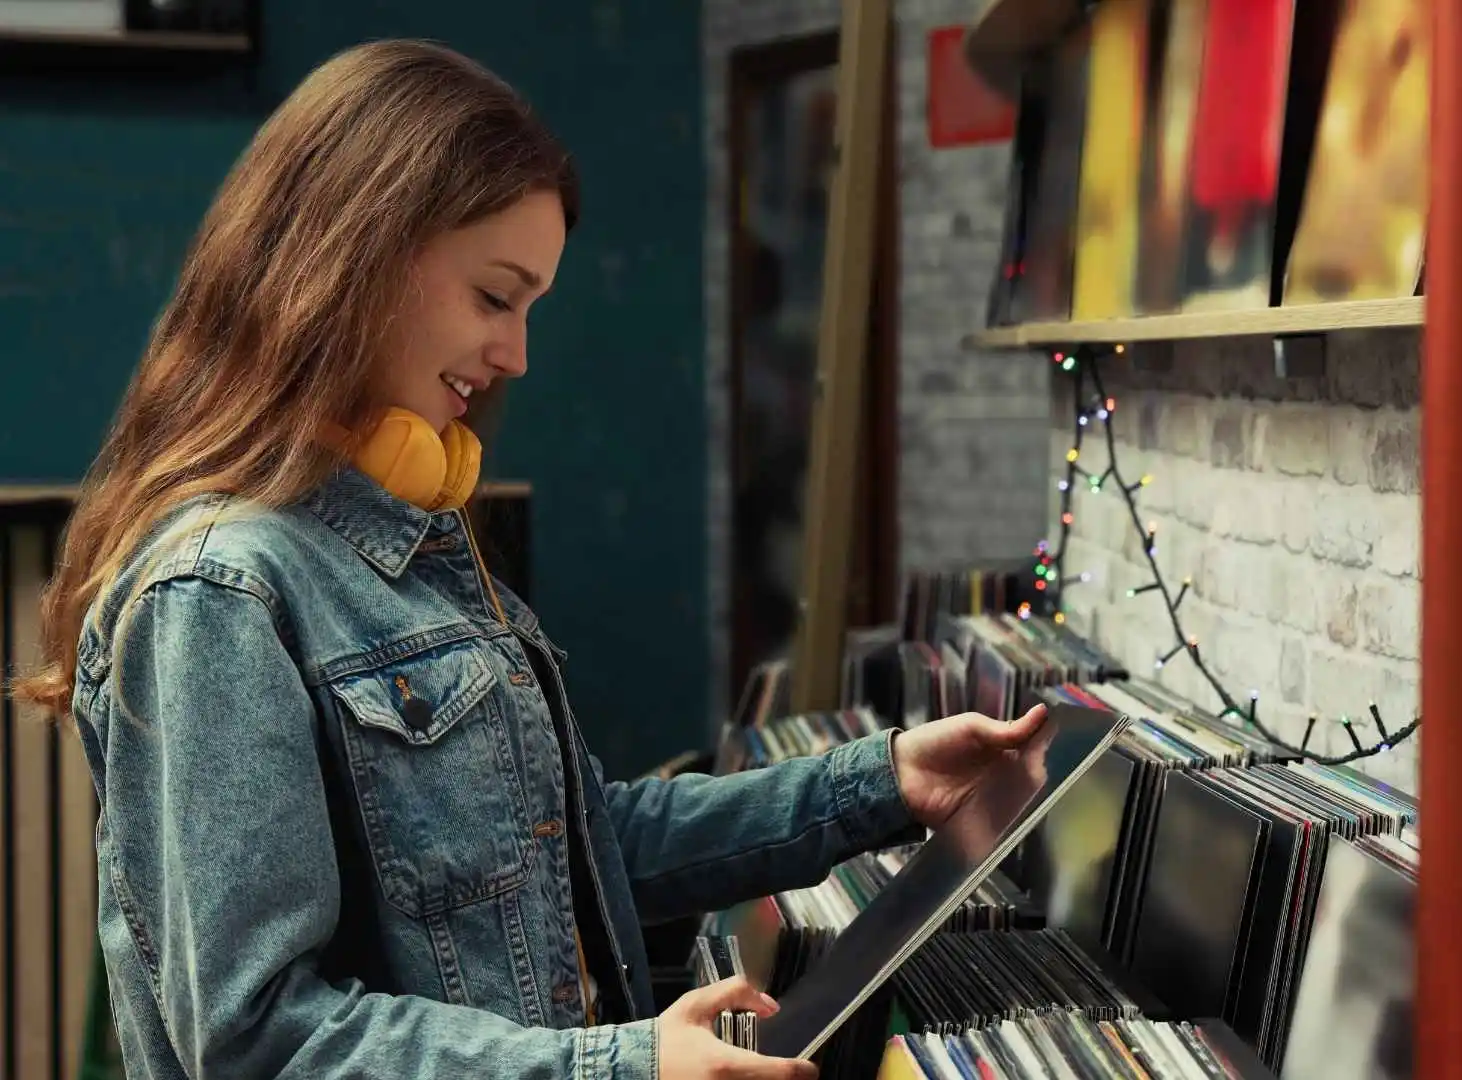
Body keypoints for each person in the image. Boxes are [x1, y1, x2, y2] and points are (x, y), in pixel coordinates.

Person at [11, 40, 1046, 1080]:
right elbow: (261, 1040)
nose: (516, 355)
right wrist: (625, 1065)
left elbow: (581, 851)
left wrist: (883, 783)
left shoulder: (410, 546)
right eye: (495, 297)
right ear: (356, 258)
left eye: (530, 308)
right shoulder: (217, 593)